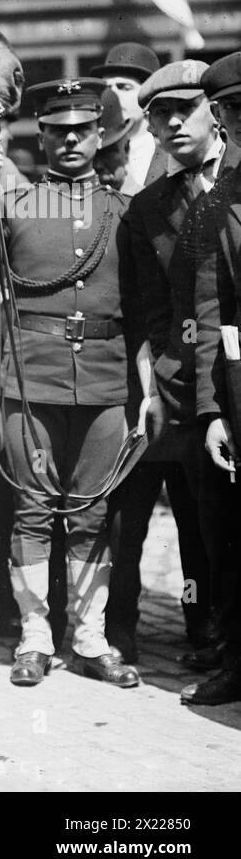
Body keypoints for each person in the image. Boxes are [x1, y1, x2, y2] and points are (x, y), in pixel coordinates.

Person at [0, 78, 144, 688]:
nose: (72, 140)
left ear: (101, 135)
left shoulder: (122, 211)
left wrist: (145, 392)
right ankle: (34, 636)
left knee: (91, 510)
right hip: (33, 377)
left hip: (104, 381)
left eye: (83, 130)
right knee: (32, 510)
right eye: (58, 131)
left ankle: (89, 637)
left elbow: (146, 305)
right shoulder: (19, 202)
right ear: (44, 137)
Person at [108, 62, 231, 669]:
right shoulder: (147, 209)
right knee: (203, 523)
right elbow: (146, 310)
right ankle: (210, 636)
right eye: (160, 114)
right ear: (149, 128)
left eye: (186, 109)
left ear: (216, 113)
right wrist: (154, 381)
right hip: (180, 388)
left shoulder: (238, 180)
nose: (175, 121)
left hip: (235, 382)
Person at [183, 51, 241, 705]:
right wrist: (213, 409)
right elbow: (208, 307)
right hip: (238, 382)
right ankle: (237, 658)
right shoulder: (219, 203)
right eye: (234, 112)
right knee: (232, 533)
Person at [93, 42, 166, 192]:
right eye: (107, 88)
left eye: (123, 87)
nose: (112, 95)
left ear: (149, 95)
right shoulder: (94, 148)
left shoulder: (169, 149)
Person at [93, 87, 136, 195]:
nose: (98, 165)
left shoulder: (146, 205)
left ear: (126, 150)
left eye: (107, 153)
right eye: (91, 155)